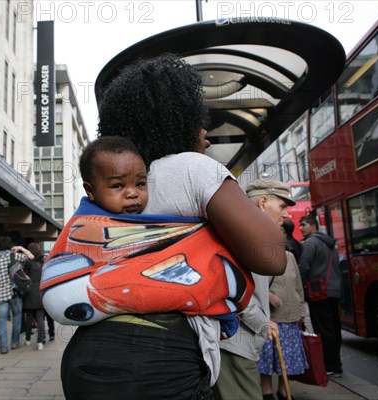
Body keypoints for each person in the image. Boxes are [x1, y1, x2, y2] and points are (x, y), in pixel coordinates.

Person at [59, 53, 286, 400]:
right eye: (199, 122)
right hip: (160, 359)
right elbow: (272, 257)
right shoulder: (191, 168)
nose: (206, 135)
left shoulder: (118, 187)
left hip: (88, 355)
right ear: (179, 119)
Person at [241, 180, 309, 400]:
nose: (287, 214)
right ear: (262, 202)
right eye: (282, 206)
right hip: (240, 344)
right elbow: (237, 292)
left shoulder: (261, 241)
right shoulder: (245, 240)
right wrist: (262, 320)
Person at [299, 214, 343, 378]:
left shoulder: (311, 243)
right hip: (333, 290)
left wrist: (300, 286)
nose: (301, 228)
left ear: (313, 226)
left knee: (323, 329)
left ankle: (331, 365)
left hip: (318, 291)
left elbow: (304, 266)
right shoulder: (330, 242)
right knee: (334, 328)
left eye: (303, 225)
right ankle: (336, 364)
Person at [79, 135, 148, 214]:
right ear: (90, 191)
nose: (133, 193)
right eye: (117, 186)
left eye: (140, 184)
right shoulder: (86, 224)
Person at [0, 237, 33, 354]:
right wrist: (21, 248)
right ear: (10, 246)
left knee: (2, 321)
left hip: (1, 296)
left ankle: (3, 347)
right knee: (17, 318)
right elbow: (31, 257)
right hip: (15, 293)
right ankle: (15, 342)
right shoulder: (14, 256)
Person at [22, 242, 47, 350]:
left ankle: (27, 339)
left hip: (29, 292)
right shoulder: (43, 262)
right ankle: (40, 342)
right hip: (40, 291)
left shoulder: (28, 263)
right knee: (40, 318)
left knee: (29, 318)